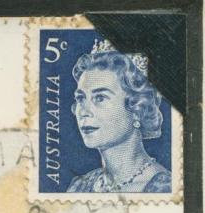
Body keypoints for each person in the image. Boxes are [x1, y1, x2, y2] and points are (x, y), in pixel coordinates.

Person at [67, 41, 171, 193]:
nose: (83, 111)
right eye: (81, 98)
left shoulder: (164, 188)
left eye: (100, 98)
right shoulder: (79, 187)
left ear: (137, 108)